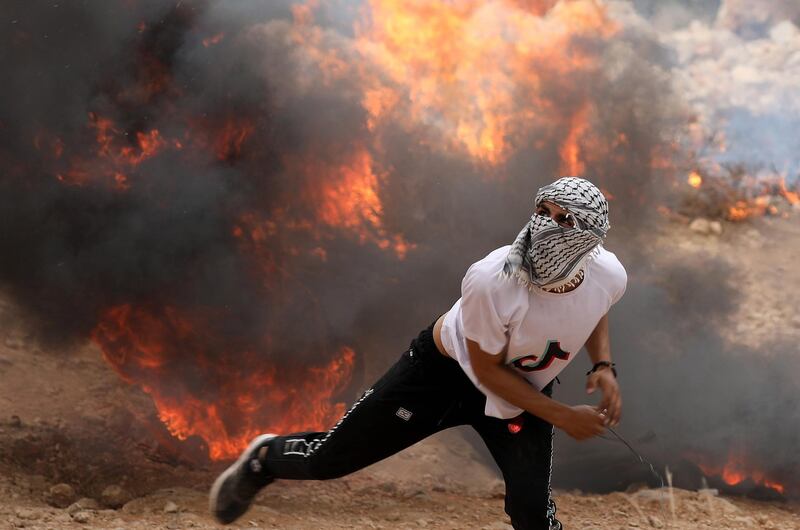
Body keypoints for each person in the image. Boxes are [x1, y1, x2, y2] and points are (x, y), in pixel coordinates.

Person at [209, 177, 627, 530]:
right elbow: (485, 371)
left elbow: (595, 306)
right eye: (543, 211)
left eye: (564, 219)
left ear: (588, 238)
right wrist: (563, 417)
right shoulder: (493, 279)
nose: (546, 225)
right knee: (330, 460)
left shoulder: (607, 273)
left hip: (521, 390)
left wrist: (603, 365)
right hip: (440, 378)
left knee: (532, 513)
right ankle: (266, 459)